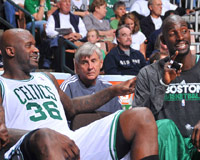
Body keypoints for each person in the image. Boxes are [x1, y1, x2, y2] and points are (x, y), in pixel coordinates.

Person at [0, 28, 159, 160]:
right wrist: (46, 135)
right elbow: (2, 134)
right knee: (45, 137)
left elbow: (72, 107)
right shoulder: (2, 84)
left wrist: (114, 90)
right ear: (10, 51)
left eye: (35, 45)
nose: (36, 50)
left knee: (141, 116)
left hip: (67, 140)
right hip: (27, 148)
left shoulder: (46, 78)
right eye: (29, 46)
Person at [133, 14, 200, 159]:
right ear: (163, 40)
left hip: (197, 144)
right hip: (167, 147)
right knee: (164, 127)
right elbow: (138, 118)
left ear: (190, 34)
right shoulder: (148, 73)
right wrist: (162, 85)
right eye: (172, 33)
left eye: (184, 31)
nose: (180, 37)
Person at [60, 42, 122, 115]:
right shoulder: (68, 87)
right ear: (76, 66)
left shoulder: (109, 88)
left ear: (101, 63)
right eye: (84, 62)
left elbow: (118, 119)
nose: (90, 67)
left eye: (93, 61)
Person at [45, 0, 87, 71]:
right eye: (65, 2)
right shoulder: (54, 17)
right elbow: (49, 31)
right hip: (62, 40)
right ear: (59, 4)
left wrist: (79, 35)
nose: (68, 4)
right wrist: (64, 36)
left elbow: (84, 31)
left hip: (76, 39)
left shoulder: (76, 18)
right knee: (60, 42)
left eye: (69, 2)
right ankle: (60, 70)